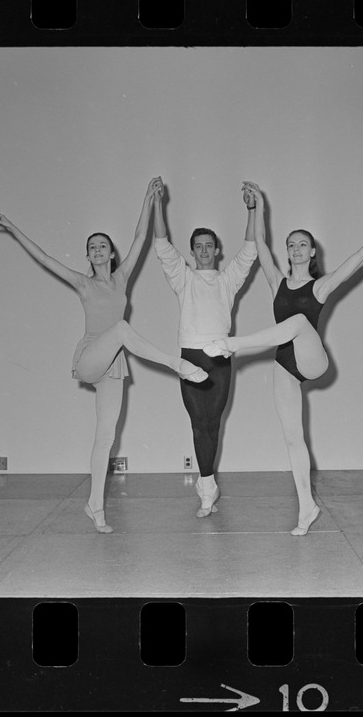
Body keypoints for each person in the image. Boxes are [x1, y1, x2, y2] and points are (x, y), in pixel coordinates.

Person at [204, 181, 363, 535]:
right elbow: (260, 244)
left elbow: (362, 255)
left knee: (296, 322)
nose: (294, 249)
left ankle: (233, 344)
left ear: (312, 254)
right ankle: (306, 507)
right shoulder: (276, 280)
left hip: (313, 359)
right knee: (293, 438)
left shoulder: (319, 287)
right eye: (290, 245)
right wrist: (256, 205)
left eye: (301, 245)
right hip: (285, 365)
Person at [0, 178, 207, 534]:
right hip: (91, 354)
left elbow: (139, 239)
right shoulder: (82, 283)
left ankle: (95, 506)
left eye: (102, 245)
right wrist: (13, 229)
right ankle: (176, 365)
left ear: (111, 253)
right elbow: (44, 258)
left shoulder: (120, 280)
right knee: (120, 330)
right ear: (88, 257)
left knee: (106, 436)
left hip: (114, 364)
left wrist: (149, 200)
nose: (98, 250)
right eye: (92, 247)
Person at [153, 181, 258, 518]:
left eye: (208, 245)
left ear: (216, 250)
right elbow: (161, 244)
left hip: (220, 360)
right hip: (191, 358)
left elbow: (251, 250)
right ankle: (207, 488)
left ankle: (208, 486)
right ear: (192, 250)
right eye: (197, 246)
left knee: (214, 423)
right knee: (198, 424)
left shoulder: (227, 280)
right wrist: (157, 202)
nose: (203, 250)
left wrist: (252, 209)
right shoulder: (183, 279)